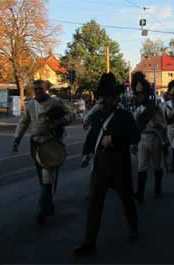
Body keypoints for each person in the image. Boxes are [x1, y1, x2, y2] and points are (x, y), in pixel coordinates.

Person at [73, 73, 140, 257]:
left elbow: (135, 136)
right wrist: (86, 153)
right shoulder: (97, 116)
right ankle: (89, 242)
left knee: (127, 200)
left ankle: (133, 228)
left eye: (108, 96)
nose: (104, 99)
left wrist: (115, 139)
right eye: (102, 96)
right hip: (100, 166)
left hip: (119, 165)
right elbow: (92, 136)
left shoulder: (124, 116)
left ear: (115, 98)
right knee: (94, 204)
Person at [12, 80, 75, 225]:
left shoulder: (55, 102)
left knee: (47, 179)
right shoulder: (30, 105)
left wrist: (59, 122)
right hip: (35, 145)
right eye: (35, 89)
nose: (38, 91)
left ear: (45, 89)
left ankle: (42, 211)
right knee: (42, 178)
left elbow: (71, 115)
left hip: (51, 144)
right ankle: (49, 205)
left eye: (40, 88)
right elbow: (23, 122)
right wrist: (16, 139)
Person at [131, 71, 167, 204]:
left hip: (155, 138)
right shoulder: (137, 111)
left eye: (141, 94)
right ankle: (140, 193)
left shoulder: (156, 109)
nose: (139, 97)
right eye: (137, 94)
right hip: (142, 139)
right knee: (141, 167)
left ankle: (158, 189)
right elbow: (135, 128)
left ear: (146, 94)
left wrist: (159, 126)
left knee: (157, 165)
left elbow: (164, 125)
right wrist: (134, 143)